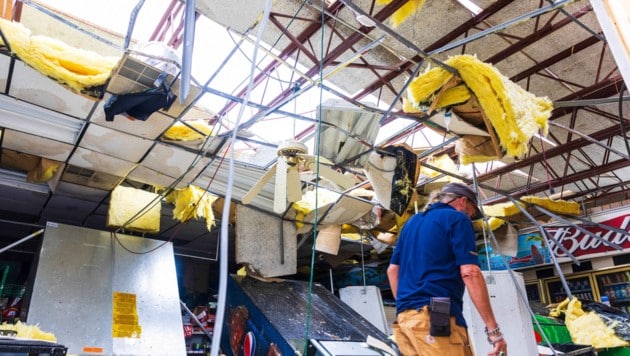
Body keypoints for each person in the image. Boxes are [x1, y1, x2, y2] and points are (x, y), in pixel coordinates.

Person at [387, 182, 508, 356]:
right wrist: (493, 331)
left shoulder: (410, 224)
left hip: (405, 321)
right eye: (472, 212)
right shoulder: (457, 218)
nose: (470, 217)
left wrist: (408, 307)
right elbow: (470, 272)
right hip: (436, 316)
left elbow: (392, 271)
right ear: (462, 201)